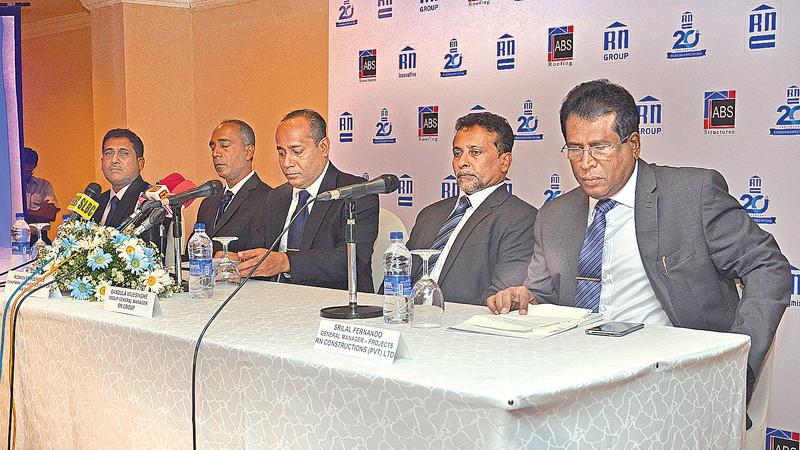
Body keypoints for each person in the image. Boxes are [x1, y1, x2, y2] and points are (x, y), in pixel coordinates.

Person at [487, 79, 790, 407]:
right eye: (575, 148)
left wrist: (735, 359)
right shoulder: (553, 215)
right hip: (571, 377)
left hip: (670, 381)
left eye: (600, 147)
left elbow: (767, 266)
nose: (585, 162)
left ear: (633, 144)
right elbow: (547, 294)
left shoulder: (692, 194)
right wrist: (526, 296)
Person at [238, 109, 379, 292]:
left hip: (333, 303)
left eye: (297, 151)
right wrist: (241, 261)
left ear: (324, 148)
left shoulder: (356, 193)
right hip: (275, 301)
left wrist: (286, 262)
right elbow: (260, 252)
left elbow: (350, 260)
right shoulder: (275, 198)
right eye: (281, 153)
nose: (287, 162)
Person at [405, 112, 537, 305]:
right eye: (457, 153)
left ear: (504, 161)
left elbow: (499, 300)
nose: (462, 162)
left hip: (457, 329)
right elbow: (395, 280)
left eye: (475, 152)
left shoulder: (522, 219)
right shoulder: (430, 214)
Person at [195, 119, 271, 254]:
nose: (215, 154)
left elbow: (265, 257)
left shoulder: (268, 198)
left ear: (248, 152)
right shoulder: (208, 203)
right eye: (213, 148)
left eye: (224, 146)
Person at [91, 129, 151, 229]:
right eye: (109, 153)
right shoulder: (96, 202)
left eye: (123, 153)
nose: (114, 160)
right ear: (102, 162)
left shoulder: (149, 201)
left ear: (140, 163)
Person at [22, 147, 59, 242]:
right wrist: (39, 213)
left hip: (40, 237)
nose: (27, 174)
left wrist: (24, 214)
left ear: (35, 165)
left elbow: (51, 215)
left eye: (30, 171)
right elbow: (9, 216)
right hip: (16, 238)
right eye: (24, 171)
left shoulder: (44, 185)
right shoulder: (8, 187)